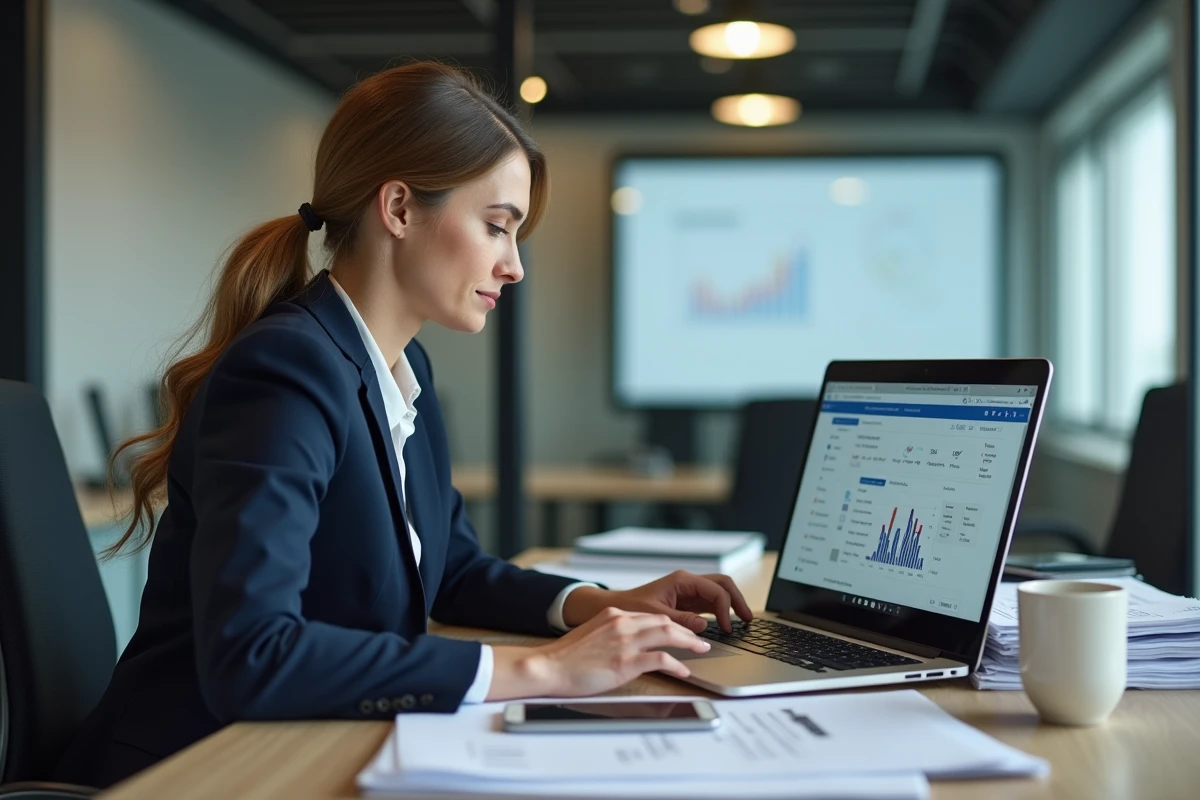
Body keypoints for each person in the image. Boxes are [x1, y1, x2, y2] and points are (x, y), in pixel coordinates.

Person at [55, 62, 753, 789]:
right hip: (197, 768)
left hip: (299, 745)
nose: (514, 267)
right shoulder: (287, 371)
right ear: (398, 208)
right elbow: (251, 653)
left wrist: (601, 605)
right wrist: (543, 669)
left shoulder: (399, 363)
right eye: (496, 227)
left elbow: (451, 570)